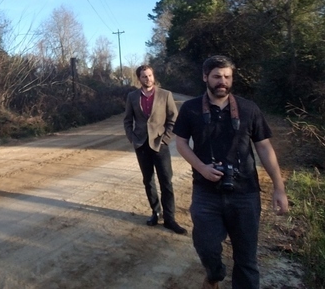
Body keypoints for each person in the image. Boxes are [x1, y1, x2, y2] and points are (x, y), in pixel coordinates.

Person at [174, 55, 288, 289]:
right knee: (206, 248)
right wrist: (202, 168)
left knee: (246, 259)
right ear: (205, 77)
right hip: (206, 192)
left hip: (245, 193)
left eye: (227, 76)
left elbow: (264, 147)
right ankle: (214, 275)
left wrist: (279, 188)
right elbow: (181, 143)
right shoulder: (191, 108)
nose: (222, 81)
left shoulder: (248, 108)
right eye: (217, 76)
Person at [123, 65, 187, 234]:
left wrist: (166, 138)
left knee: (166, 181)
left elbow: (174, 118)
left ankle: (170, 218)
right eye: (144, 76)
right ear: (139, 79)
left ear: (153, 76)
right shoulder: (132, 96)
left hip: (160, 145)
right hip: (141, 145)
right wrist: (132, 137)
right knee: (148, 180)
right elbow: (127, 120)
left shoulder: (166, 95)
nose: (148, 79)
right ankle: (155, 212)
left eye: (150, 75)